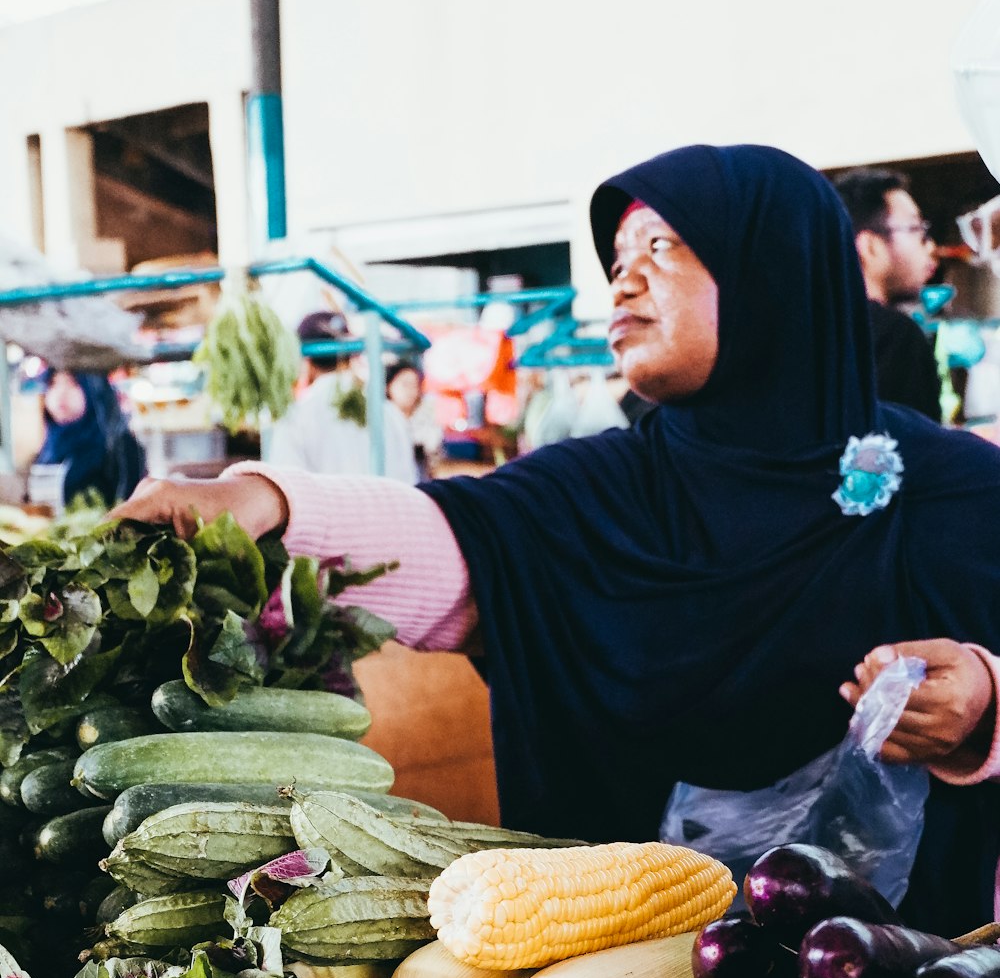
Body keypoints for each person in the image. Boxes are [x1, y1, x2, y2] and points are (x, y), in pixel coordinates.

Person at [113, 144, 1000, 936]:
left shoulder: (955, 489)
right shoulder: (603, 487)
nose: (623, 280)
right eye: (617, 259)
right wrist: (264, 501)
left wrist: (982, 706)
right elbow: (463, 541)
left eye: (662, 248)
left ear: (777, 271)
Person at [833, 167, 943, 421]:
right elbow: (918, 452)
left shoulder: (809, 328)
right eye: (916, 229)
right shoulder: (896, 336)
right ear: (870, 246)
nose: (930, 246)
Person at [267, 312, 418, 484]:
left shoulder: (296, 417)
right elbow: (409, 482)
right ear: (350, 356)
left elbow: (287, 486)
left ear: (306, 361)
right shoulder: (391, 414)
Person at [32, 368, 145, 507]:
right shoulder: (48, 449)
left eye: (73, 383)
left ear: (94, 390)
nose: (61, 393)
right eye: (53, 384)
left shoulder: (121, 447)